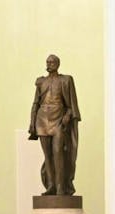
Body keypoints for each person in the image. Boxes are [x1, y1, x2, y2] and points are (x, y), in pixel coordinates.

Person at [28, 54, 81, 195]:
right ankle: (51, 185)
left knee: (58, 152)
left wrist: (67, 116)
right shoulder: (41, 82)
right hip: (42, 119)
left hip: (58, 118)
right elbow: (35, 103)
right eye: (48, 62)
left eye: (52, 62)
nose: (49, 64)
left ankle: (61, 186)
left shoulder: (65, 80)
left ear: (58, 64)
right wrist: (32, 123)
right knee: (48, 155)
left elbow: (71, 105)